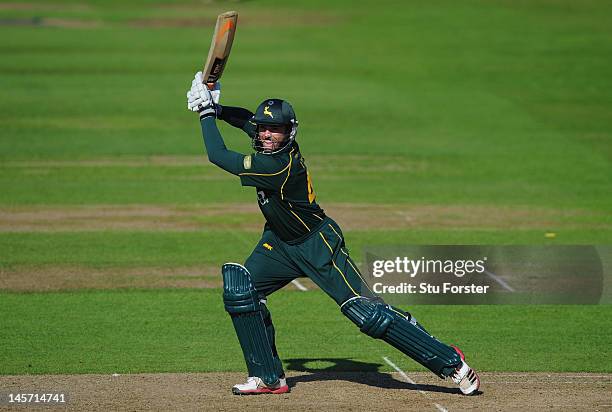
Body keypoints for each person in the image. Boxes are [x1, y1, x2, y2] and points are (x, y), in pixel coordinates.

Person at [186, 72, 480, 396]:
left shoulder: (277, 167)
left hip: (318, 244)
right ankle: (268, 377)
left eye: (276, 130)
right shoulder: (268, 144)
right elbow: (246, 122)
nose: (267, 134)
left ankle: (451, 363)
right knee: (242, 290)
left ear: (289, 133)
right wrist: (219, 106)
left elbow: (217, 155)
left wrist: (206, 114)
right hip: (280, 243)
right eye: (264, 128)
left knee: (367, 314)